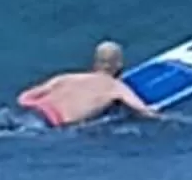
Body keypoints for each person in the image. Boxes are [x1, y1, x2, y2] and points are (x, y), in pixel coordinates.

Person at [16, 42, 158, 129]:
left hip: (31, 113)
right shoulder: (114, 87)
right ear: (119, 64)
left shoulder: (66, 78)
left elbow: (23, 98)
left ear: (95, 62)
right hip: (51, 123)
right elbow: (144, 111)